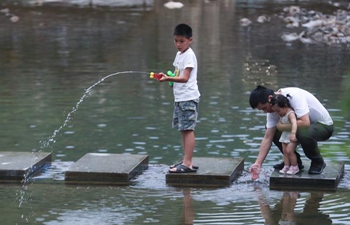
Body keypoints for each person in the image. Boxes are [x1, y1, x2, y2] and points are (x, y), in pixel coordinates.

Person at [249, 85, 333, 179]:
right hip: (300, 128)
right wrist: (258, 163)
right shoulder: (272, 109)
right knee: (273, 131)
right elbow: (268, 137)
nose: (265, 112)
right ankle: (294, 162)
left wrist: (282, 127)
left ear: (270, 98)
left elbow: (305, 123)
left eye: (264, 108)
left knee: (302, 133)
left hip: (323, 126)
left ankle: (317, 161)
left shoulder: (294, 96)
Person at [158, 23, 200, 173]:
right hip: (180, 98)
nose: (178, 44)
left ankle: (187, 163)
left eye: (182, 41)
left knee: (188, 129)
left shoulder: (189, 55)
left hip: (188, 97)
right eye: (176, 41)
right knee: (183, 129)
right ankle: (186, 160)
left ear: (190, 40)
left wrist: (171, 78)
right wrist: (169, 79)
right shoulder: (179, 54)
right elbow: (177, 75)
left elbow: (185, 78)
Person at [270, 94, 299, 175]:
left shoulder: (290, 113)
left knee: (290, 151)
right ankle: (286, 165)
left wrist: (293, 133)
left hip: (291, 135)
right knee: (285, 151)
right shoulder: (282, 114)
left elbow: (294, 123)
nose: (278, 113)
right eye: (276, 111)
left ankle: (294, 166)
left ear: (285, 106)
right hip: (285, 135)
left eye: (278, 111)